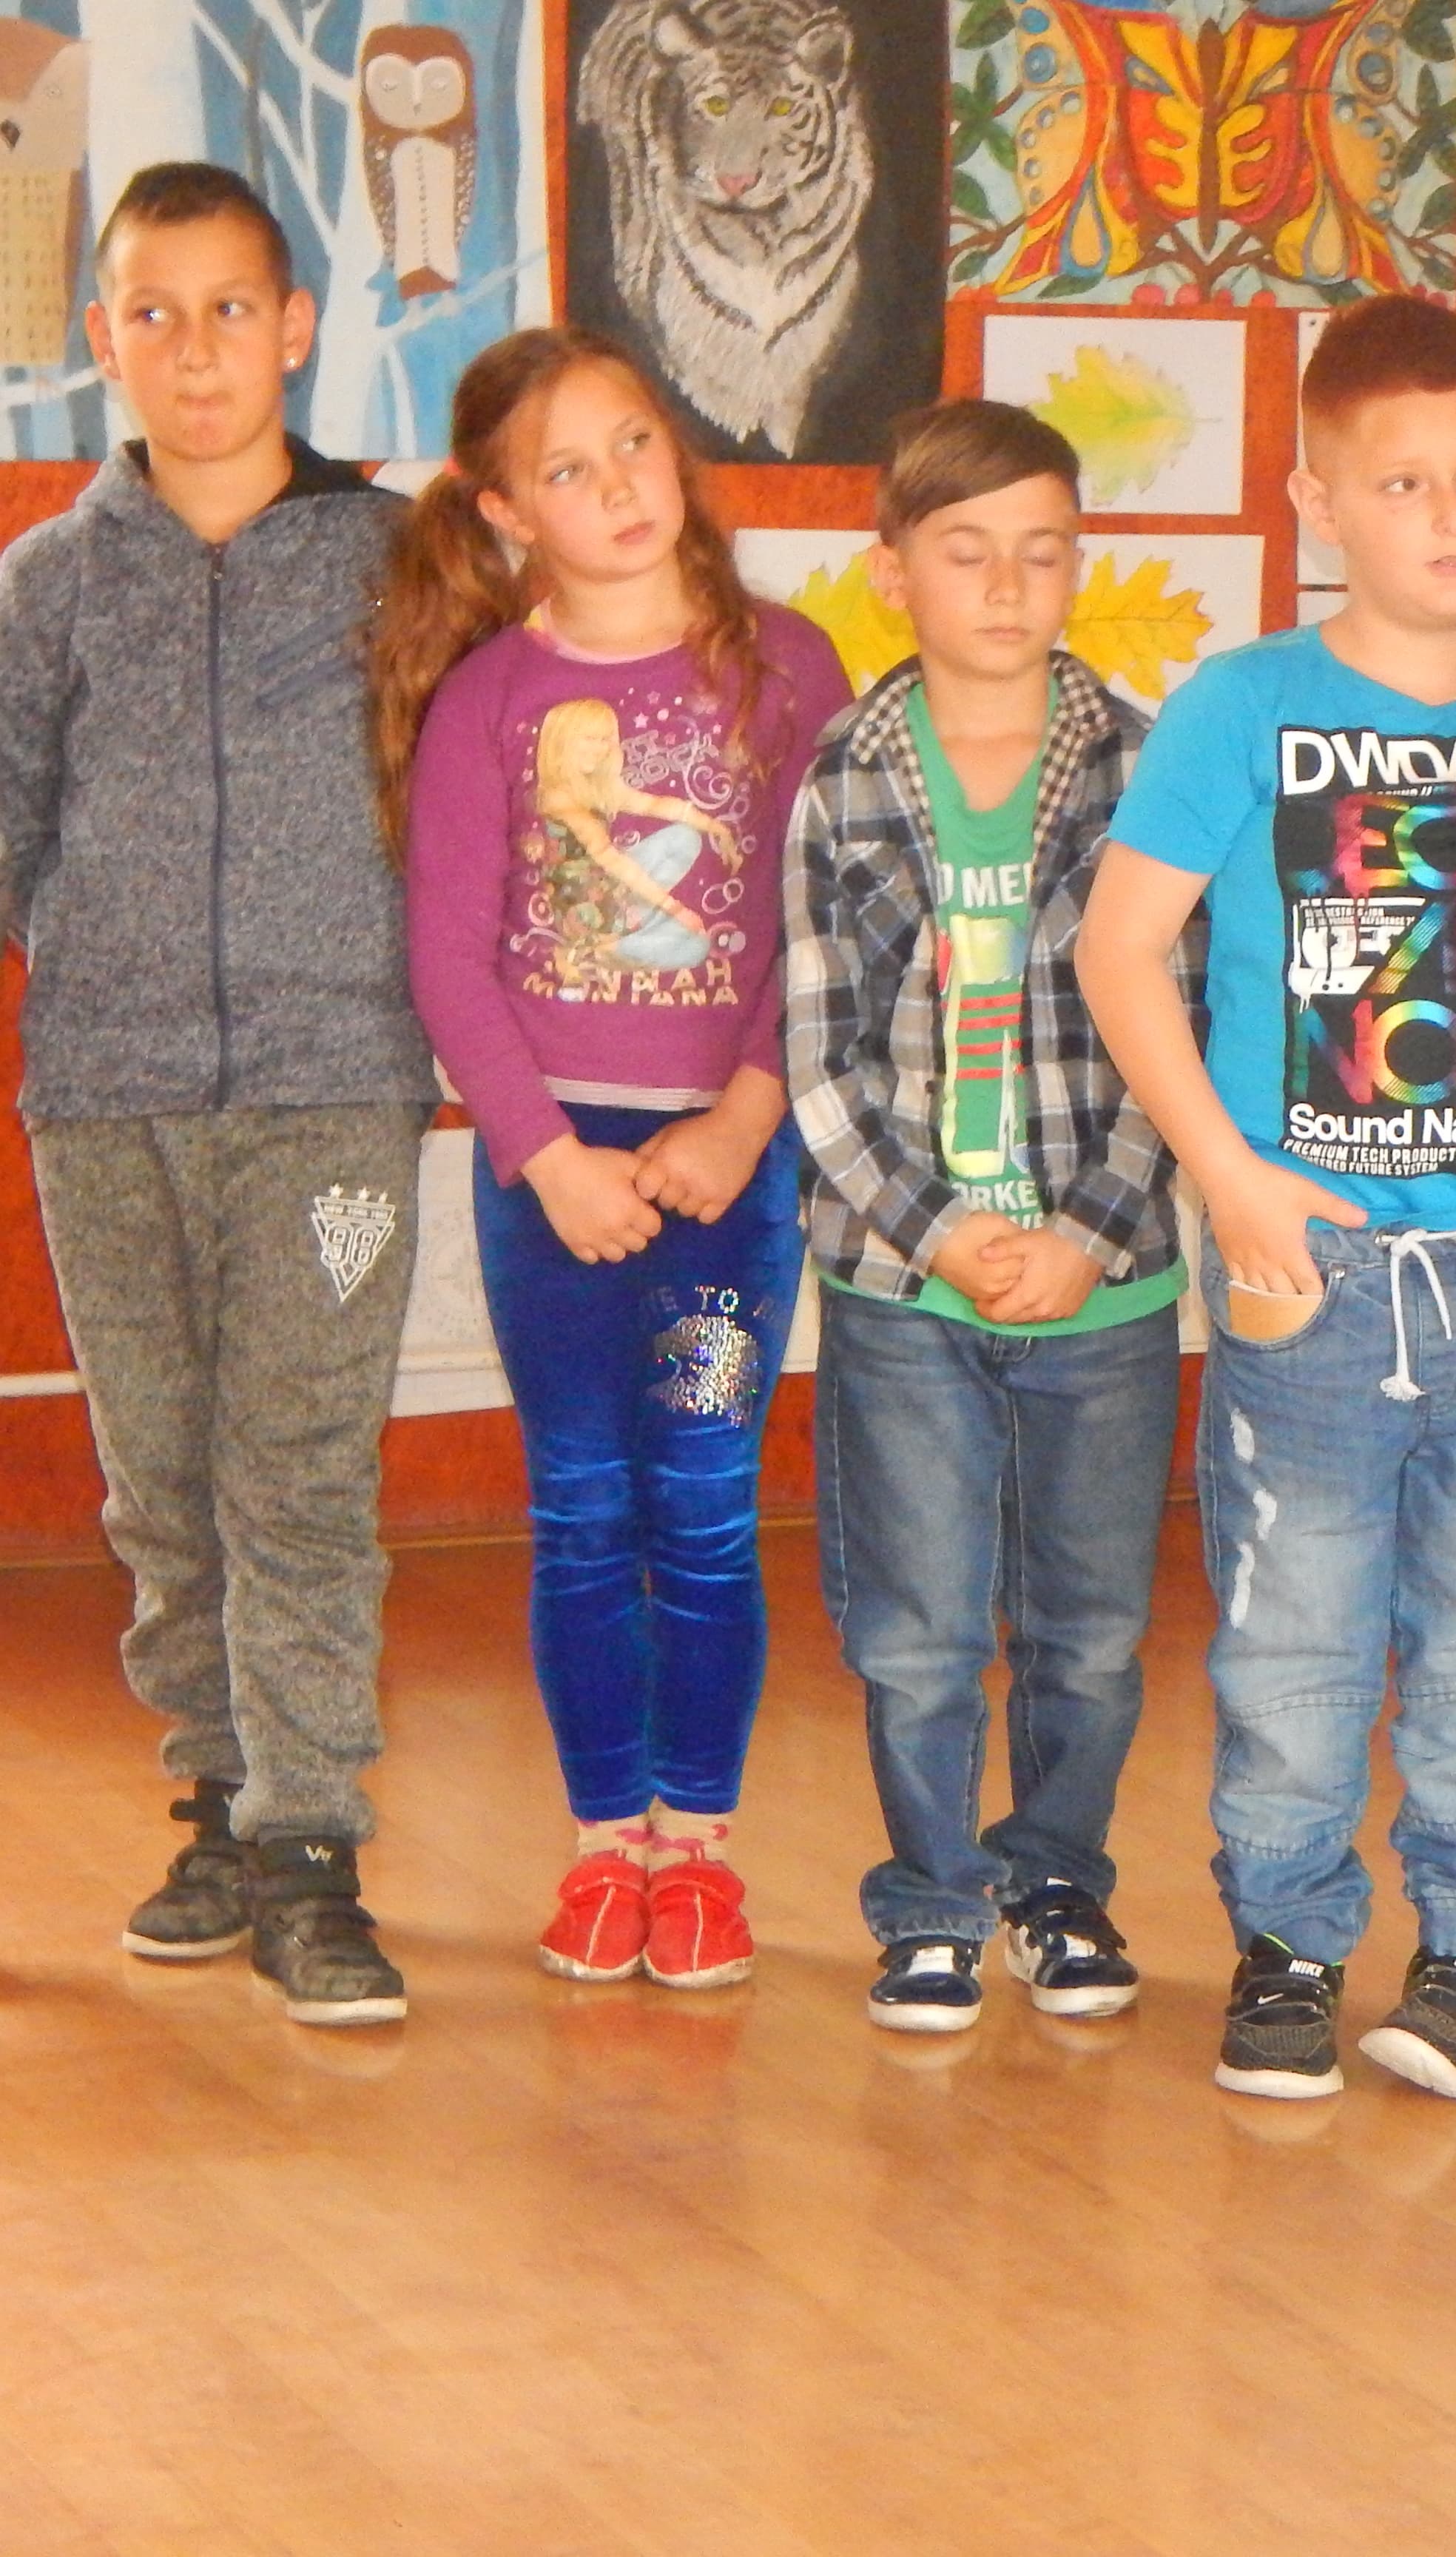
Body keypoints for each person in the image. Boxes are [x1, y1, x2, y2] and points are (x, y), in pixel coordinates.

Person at [1076, 295, 1456, 2104]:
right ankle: (1288, 1944)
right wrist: (1232, 1185)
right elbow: (1119, 952)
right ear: (1317, 503)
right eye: (1401, 483)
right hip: (1306, 1269)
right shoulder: (1243, 707)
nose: (1449, 516)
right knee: (1292, 1637)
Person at [0, 166, 439, 2027]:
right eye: (155, 314)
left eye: (231, 309)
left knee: (302, 1470)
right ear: (103, 339)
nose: (195, 351)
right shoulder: (46, 584)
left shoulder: (399, 561)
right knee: (164, 1484)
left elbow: (480, 809)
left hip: (338, 1097)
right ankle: (219, 1806)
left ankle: (311, 1848)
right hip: (108, 1104)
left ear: (297, 328)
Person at [378, 326, 851, 1990]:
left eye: (634, 442)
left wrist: (745, 1113)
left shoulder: (790, 667)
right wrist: (546, 1155)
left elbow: (829, 924)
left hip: (733, 1173)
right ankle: (604, 1849)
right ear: (508, 512)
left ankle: (697, 1851)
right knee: (582, 1508)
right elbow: (452, 961)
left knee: (706, 1504)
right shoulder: (488, 702)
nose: (619, 487)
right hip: (551, 1182)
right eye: (567, 471)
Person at [783, 400, 1187, 2034]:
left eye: (1043, 552)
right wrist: (942, 1231)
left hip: (1110, 1286)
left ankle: (1057, 1879)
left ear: (1079, 565)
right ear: (893, 574)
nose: (1009, 587)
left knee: (1091, 1628)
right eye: (967, 554)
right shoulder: (845, 776)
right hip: (906, 1292)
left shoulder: (1148, 767)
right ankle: (935, 1899)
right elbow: (820, 1062)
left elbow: (1185, 1031)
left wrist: (1087, 1230)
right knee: (920, 1629)